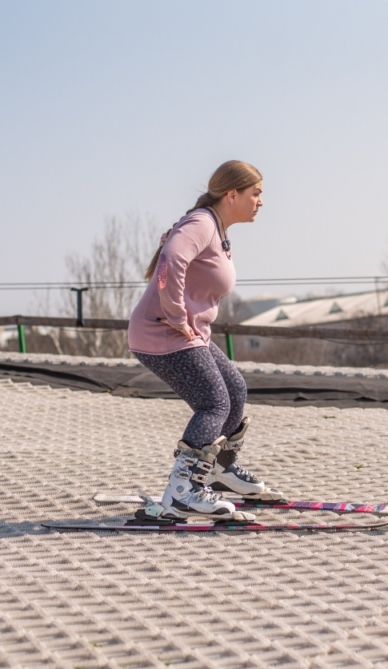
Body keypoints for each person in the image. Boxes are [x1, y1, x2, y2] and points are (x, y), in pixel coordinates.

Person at [128, 160, 276, 519]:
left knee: (235, 390)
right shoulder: (202, 222)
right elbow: (170, 261)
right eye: (255, 193)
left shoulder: (216, 228)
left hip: (186, 334)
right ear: (232, 194)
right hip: (162, 333)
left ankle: (217, 471)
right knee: (214, 404)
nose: (261, 201)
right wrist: (176, 314)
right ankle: (182, 493)